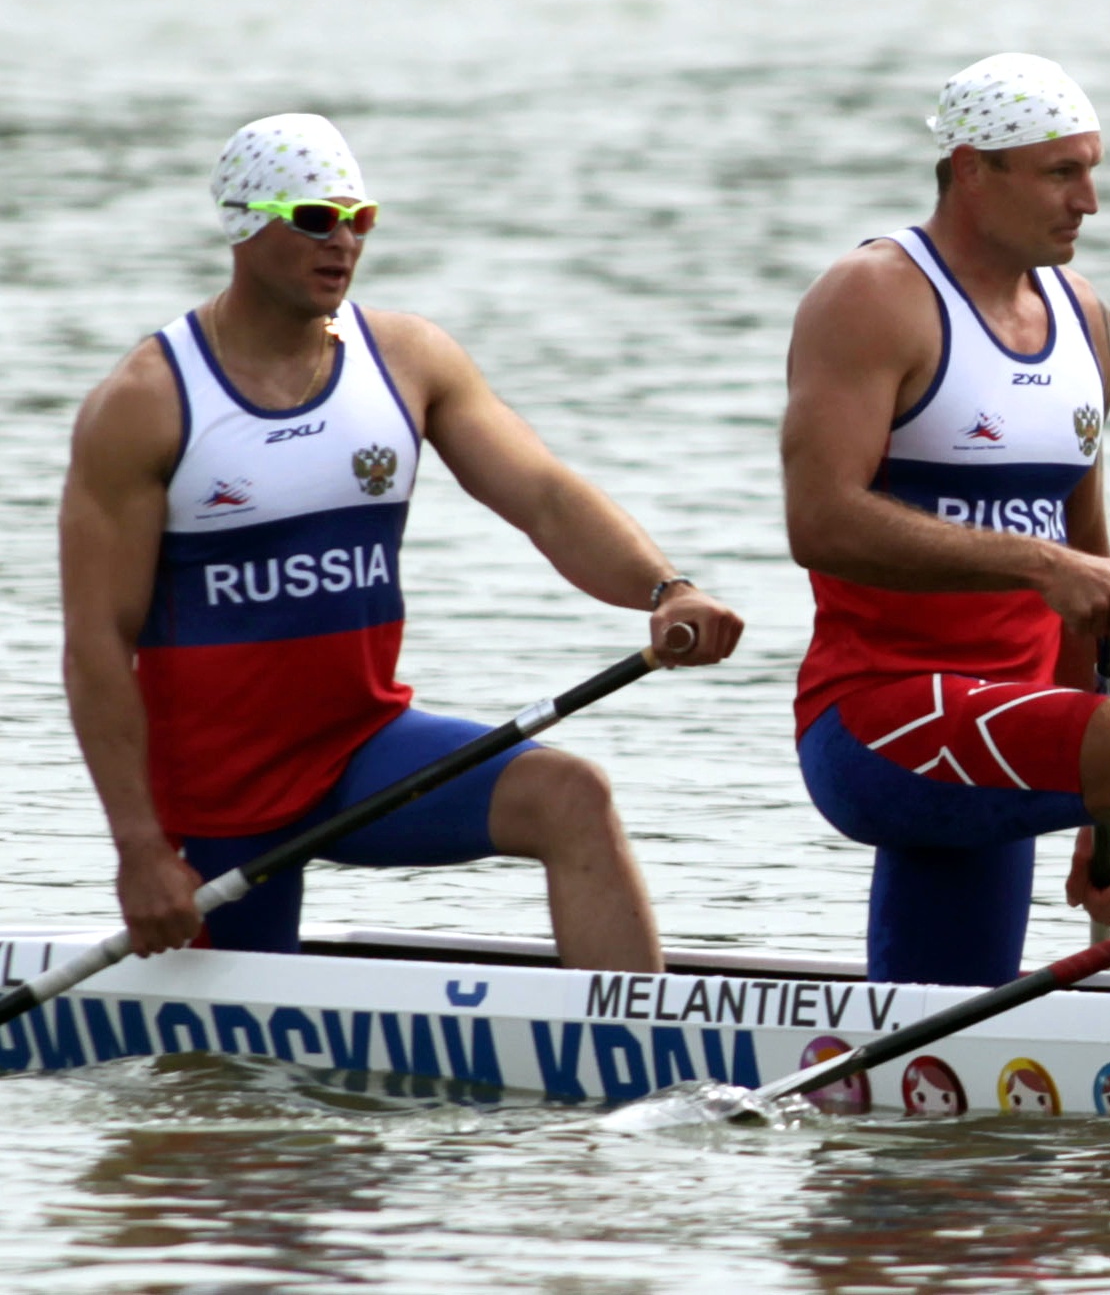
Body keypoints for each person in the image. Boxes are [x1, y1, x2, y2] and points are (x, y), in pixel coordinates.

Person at [59, 112, 743, 972]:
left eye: (359, 218)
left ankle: (642, 1075)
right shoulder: (145, 403)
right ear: (244, 223)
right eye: (314, 218)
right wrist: (139, 850)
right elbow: (95, 646)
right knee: (212, 1083)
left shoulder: (408, 360)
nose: (342, 241)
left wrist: (665, 589)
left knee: (570, 796)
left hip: (360, 750)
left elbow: (545, 498)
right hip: (214, 796)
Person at [782, 53, 1110, 991]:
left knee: (933, 1038)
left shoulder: (1088, 323)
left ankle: (902, 1104)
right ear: (974, 168)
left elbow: (1093, 583)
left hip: (1020, 724)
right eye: (1062, 172)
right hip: (876, 720)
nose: (1090, 202)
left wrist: (1103, 821)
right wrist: (1032, 563)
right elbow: (818, 522)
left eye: (1092, 169)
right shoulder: (873, 298)